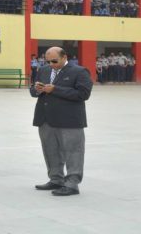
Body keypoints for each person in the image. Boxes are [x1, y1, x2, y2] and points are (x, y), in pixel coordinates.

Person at [31, 46, 93, 196]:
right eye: (47, 61)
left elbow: (83, 94)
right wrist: (36, 89)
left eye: (54, 61)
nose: (50, 64)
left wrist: (55, 89)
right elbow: (33, 90)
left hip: (69, 120)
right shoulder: (44, 70)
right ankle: (56, 179)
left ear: (64, 57)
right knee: (50, 150)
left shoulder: (79, 72)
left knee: (73, 152)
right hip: (45, 119)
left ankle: (72, 184)